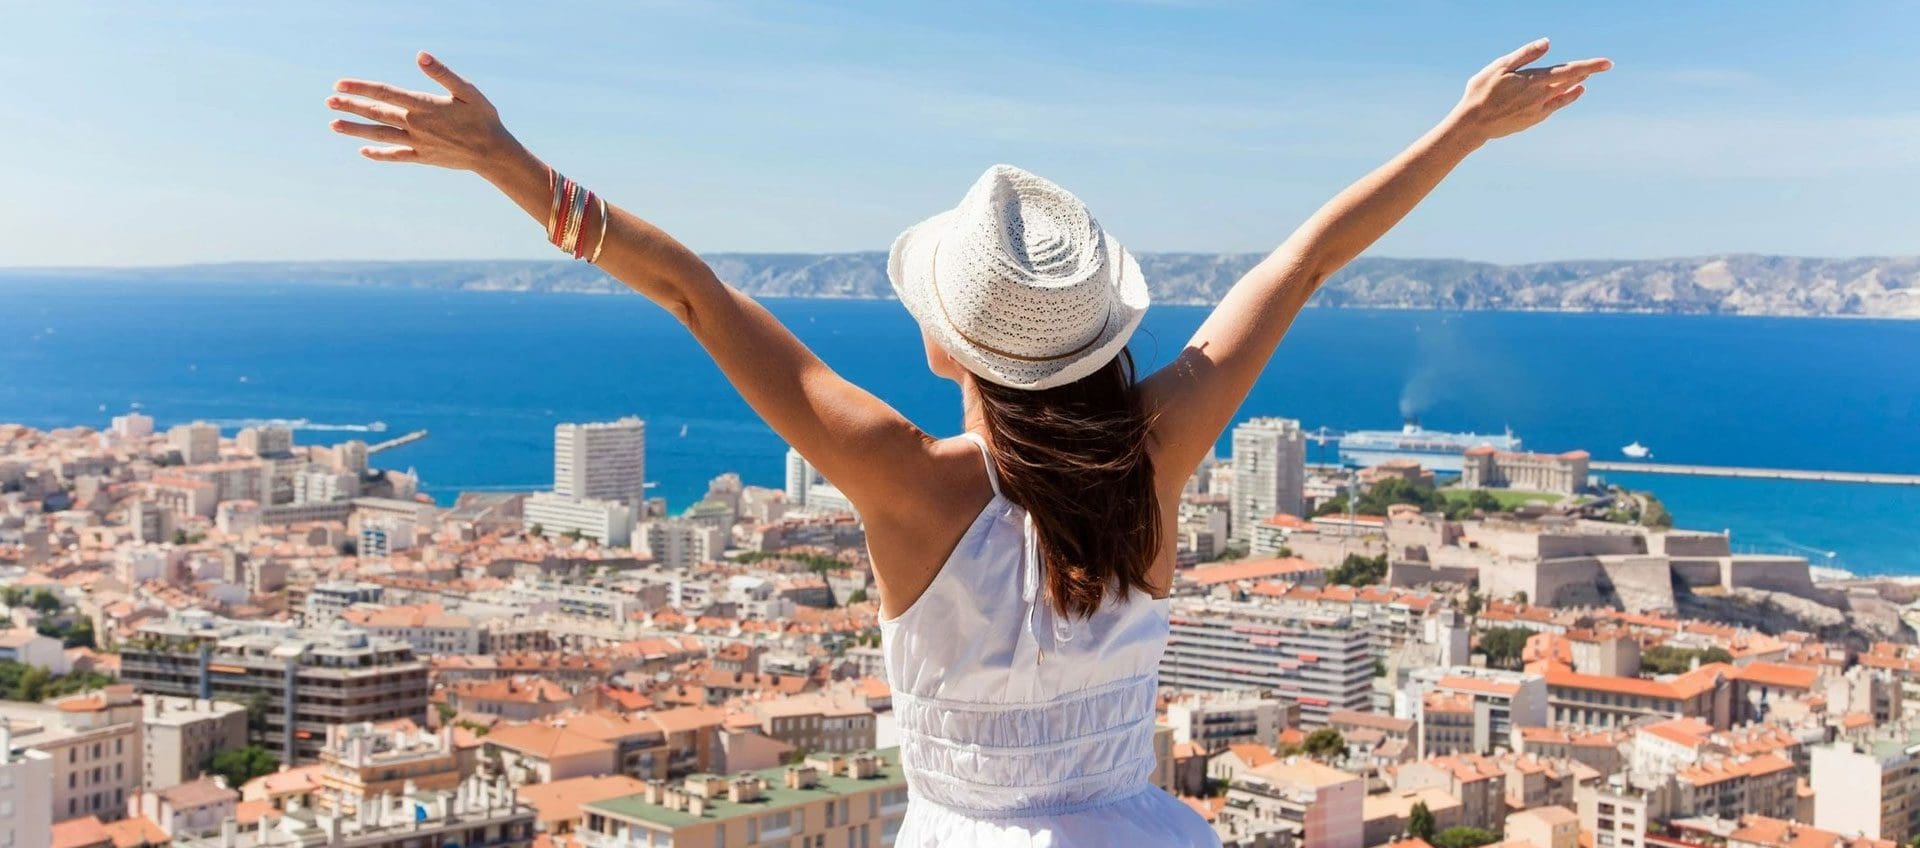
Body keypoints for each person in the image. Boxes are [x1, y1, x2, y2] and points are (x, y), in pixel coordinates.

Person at [327, 39, 1607, 847]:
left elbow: (693, 293)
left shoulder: (908, 483)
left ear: (950, 345)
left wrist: (509, 162)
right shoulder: (1155, 454)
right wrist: (1466, 126)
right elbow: (1309, 256)